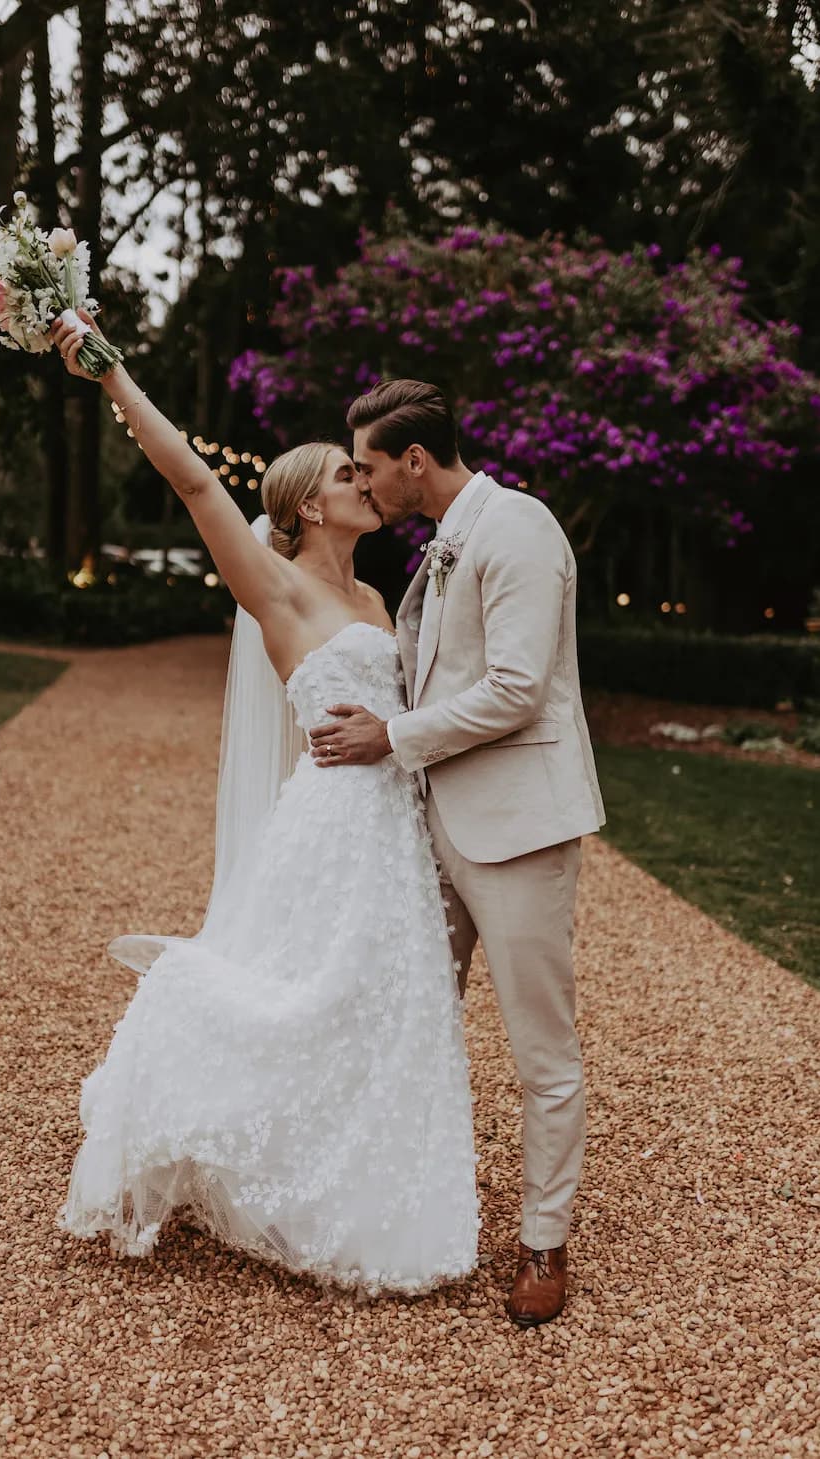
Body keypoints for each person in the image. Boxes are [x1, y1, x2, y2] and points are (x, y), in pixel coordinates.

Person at [49, 312, 480, 1299]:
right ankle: (227, 1139)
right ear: (306, 506)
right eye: (343, 474)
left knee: (385, 1013)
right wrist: (111, 373)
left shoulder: (383, 602)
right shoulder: (277, 592)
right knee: (299, 999)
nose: (362, 482)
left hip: (397, 835)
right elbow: (196, 481)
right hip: (329, 828)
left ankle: (366, 1192)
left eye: (360, 470)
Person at [307, 378, 607, 1326]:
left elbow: (517, 690)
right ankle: (386, 1206)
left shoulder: (518, 529)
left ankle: (542, 1240)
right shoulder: (436, 549)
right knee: (399, 1015)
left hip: (517, 831)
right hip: (433, 828)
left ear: (413, 462)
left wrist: (388, 737)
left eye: (365, 467)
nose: (360, 482)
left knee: (540, 1049)